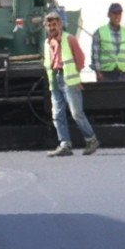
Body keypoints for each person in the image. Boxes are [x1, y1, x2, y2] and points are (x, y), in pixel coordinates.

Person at [43, 11, 100, 157]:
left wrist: (77, 77)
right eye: (49, 25)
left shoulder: (70, 39)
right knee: (57, 114)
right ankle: (65, 145)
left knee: (76, 113)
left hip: (69, 80)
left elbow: (80, 58)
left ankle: (91, 139)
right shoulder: (47, 42)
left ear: (60, 25)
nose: (52, 27)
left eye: (54, 24)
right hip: (55, 81)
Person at [91, 2, 125, 81]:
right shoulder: (99, 32)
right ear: (109, 15)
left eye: (119, 13)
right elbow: (95, 55)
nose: (117, 16)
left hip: (124, 75)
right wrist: (98, 73)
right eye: (114, 13)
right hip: (106, 75)